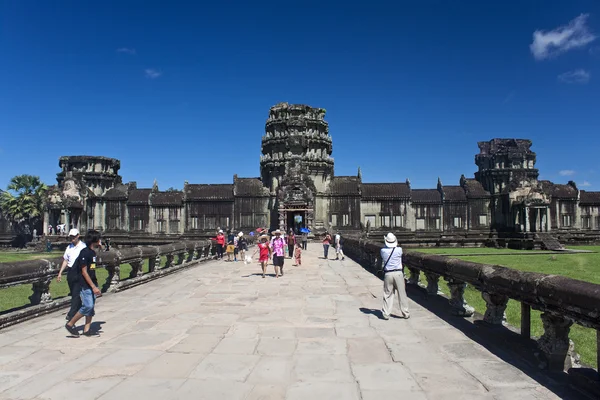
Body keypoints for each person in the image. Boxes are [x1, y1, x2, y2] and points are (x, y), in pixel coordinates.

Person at [65, 230, 103, 337]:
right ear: (94, 240)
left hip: (92, 281)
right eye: (98, 239)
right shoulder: (84, 252)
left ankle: (87, 329)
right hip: (86, 284)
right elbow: (84, 272)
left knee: (91, 307)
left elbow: (94, 264)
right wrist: (93, 287)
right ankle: (70, 323)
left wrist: (100, 248)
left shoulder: (92, 252)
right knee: (88, 306)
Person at [57, 229, 86, 321]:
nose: (72, 238)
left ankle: (71, 313)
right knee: (73, 292)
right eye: (71, 237)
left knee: (75, 293)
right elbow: (66, 260)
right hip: (70, 271)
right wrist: (60, 273)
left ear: (78, 236)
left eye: (74, 236)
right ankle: (81, 307)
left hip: (79, 272)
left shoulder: (83, 247)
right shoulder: (69, 247)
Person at [380, 233, 410, 320]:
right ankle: (405, 313)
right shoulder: (399, 250)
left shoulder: (383, 251)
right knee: (402, 294)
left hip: (388, 274)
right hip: (398, 273)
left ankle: (386, 313)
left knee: (387, 294)